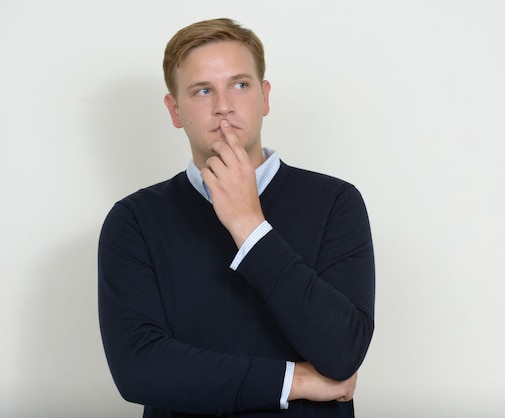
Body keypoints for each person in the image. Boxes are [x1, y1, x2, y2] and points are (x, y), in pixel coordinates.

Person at [98, 17, 375, 417]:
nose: (223, 105)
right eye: (202, 90)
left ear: (264, 97)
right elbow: (138, 369)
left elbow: (342, 351)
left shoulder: (337, 203)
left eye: (239, 85)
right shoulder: (134, 221)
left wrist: (249, 226)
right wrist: (294, 381)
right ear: (175, 110)